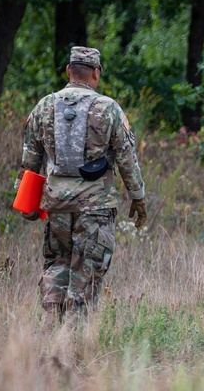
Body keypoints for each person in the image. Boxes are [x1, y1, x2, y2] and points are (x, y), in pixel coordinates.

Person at [16, 46, 147, 325]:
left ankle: (51, 325)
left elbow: (29, 161)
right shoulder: (109, 109)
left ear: (68, 71)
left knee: (58, 263)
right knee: (86, 270)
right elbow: (127, 159)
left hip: (56, 205)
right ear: (96, 73)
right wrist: (138, 197)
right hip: (95, 208)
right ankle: (75, 340)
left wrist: (24, 199)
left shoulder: (43, 107)